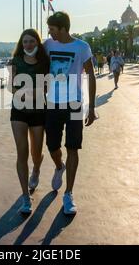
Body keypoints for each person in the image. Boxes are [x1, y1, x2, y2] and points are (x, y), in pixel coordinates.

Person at [44, 11, 97, 215]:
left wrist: (91, 107)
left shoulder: (82, 47)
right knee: (52, 146)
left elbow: (91, 75)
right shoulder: (48, 45)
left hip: (74, 103)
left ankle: (68, 194)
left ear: (63, 28)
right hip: (52, 103)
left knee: (73, 147)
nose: (49, 32)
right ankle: (59, 166)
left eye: (52, 28)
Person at [9, 29, 50, 215]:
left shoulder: (44, 62)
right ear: (21, 43)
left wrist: (35, 92)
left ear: (37, 43)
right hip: (19, 111)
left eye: (31, 41)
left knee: (36, 153)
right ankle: (26, 197)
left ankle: (36, 170)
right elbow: (11, 87)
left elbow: (47, 86)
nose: (28, 45)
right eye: (25, 42)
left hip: (39, 111)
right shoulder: (15, 62)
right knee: (22, 153)